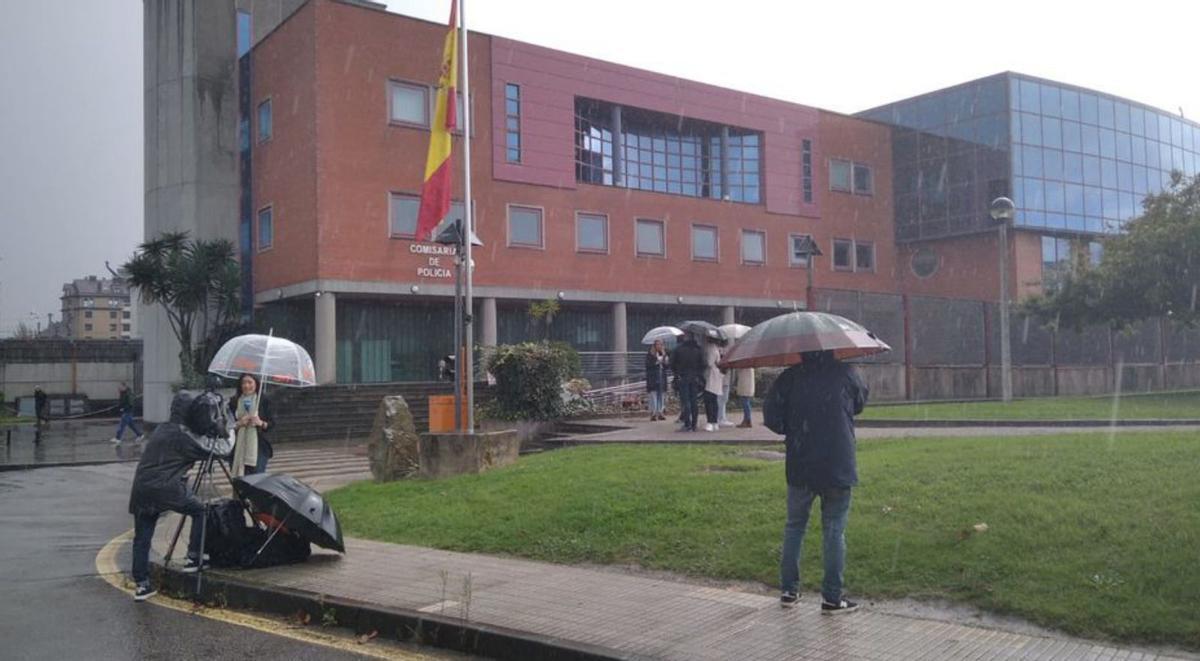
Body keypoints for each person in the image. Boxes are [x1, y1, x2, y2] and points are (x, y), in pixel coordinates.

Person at [763, 350, 868, 614]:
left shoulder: (789, 378)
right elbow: (859, 403)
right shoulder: (847, 374)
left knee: (794, 526)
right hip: (837, 461)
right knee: (834, 528)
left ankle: (789, 590)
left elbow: (771, 418)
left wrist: (795, 426)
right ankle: (832, 598)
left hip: (801, 462)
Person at [127, 390, 233, 601]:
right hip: (166, 488)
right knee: (199, 510)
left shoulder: (162, 429)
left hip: (141, 489)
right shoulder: (184, 436)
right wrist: (229, 428)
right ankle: (193, 558)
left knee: (142, 537)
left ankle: (142, 584)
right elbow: (221, 449)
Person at [229, 374, 274, 476]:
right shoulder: (234, 402)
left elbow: (272, 423)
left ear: (256, 384)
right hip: (237, 447)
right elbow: (227, 425)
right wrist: (239, 423)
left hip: (259, 448)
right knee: (240, 481)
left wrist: (261, 423)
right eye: (244, 382)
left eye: (250, 382)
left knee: (256, 479)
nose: (246, 385)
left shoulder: (263, 401)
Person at [669, 334, 704, 432]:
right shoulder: (698, 350)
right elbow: (702, 364)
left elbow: (671, 364)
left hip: (682, 377)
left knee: (686, 401)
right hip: (694, 378)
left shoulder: (678, 349)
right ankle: (694, 424)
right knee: (694, 401)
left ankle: (687, 424)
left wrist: (677, 372)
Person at [701, 338, 723, 432]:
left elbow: (709, 363)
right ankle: (715, 422)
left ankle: (710, 422)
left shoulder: (710, 349)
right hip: (716, 376)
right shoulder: (716, 348)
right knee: (714, 400)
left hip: (711, 376)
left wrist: (704, 360)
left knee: (709, 400)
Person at [644, 339, 669, 421]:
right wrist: (656, 362)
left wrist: (665, 361)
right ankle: (653, 413)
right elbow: (648, 365)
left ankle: (660, 411)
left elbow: (667, 366)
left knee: (662, 394)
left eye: (661, 344)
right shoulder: (650, 355)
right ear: (654, 346)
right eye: (657, 344)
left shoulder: (664, 354)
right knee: (653, 395)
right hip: (653, 377)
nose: (659, 346)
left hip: (662, 376)